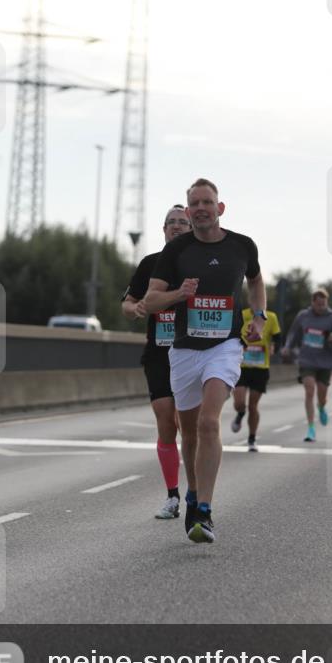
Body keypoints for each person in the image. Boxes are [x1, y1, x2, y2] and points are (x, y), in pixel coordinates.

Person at [144, 178, 266, 545]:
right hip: (183, 350)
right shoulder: (176, 251)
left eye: (206, 202)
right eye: (194, 203)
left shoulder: (242, 246)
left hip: (224, 347)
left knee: (209, 422)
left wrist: (259, 317)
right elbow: (150, 300)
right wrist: (178, 294)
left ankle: (204, 510)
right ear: (188, 210)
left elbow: (256, 282)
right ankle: (193, 491)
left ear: (220, 207)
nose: (200, 208)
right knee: (190, 431)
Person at [121, 205, 191, 520]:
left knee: (188, 424)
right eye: (171, 222)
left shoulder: (201, 263)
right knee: (166, 419)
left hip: (192, 352)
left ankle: (197, 491)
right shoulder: (150, 264)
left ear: (191, 228)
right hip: (159, 353)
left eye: (182, 222)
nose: (176, 226)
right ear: (163, 230)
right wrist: (134, 309)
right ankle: (173, 496)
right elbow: (128, 303)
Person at [281, 287, 332, 442]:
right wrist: (288, 347)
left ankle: (321, 407)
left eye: (324, 304)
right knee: (309, 390)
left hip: (325, 362)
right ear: (312, 303)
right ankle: (311, 428)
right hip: (307, 360)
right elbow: (293, 333)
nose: (322, 307)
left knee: (321, 394)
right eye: (319, 304)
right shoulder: (303, 316)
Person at [231, 307, 282, 451]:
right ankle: (240, 413)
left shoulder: (271, 317)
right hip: (242, 366)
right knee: (239, 403)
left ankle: (252, 439)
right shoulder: (242, 314)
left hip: (261, 368)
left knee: (253, 405)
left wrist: (274, 347)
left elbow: (278, 338)